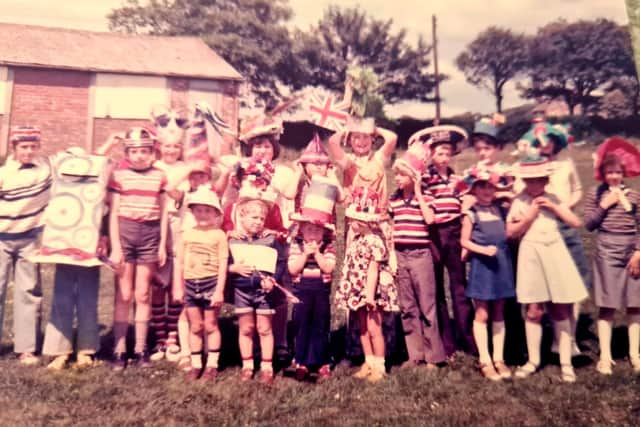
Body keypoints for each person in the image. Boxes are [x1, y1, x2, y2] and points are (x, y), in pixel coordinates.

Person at [506, 157, 588, 382]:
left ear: (546, 180)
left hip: (554, 251)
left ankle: (565, 362)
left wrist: (553, 206)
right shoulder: (519, 201)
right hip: (531, 253)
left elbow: (575, 222)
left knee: (560, 308)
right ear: (524, 181)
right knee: (534, 309)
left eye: (539, 181)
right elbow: (511, 233)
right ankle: (533, 360)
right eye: (530, 181)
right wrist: (530, 216)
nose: (535, 185)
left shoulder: (553, 198)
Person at [517, 121, 589, 354]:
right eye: (541, 140)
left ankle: (570, 340)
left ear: (557, 142)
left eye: (550, 140)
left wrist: (564, 206)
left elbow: (578, 189)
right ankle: (547, 337)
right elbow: (520, 191)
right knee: (541, 287)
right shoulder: (531, 166)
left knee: (570, 283)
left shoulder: (566, 164)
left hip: (564, 224)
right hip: (539, 225)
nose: (545, 144)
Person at [39, 147, 110, 370]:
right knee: (62, 298)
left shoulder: (98, 188)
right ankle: (60, 350)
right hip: (64, 252)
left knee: (88, 299)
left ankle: (86, 349)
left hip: (89, 251)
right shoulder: (58, 190)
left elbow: (101, 164)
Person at [108, 127, 169, 370]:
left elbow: (164, 213)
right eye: (134, 151)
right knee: (124, 294)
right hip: (125, 232)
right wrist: (115, 247)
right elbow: (113, 213)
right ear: (127, 153)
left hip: (150, 235)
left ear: (152, 152)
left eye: (144, 151)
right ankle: (119, 349)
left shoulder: (160, 176)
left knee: (143, 294)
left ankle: (141, 348)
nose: (139, 156)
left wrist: (163, 244)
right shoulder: (119, 176)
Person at [416, 125, 477, 356]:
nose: (443, 158)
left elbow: (466, 199)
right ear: (431, 154)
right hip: (433, 234)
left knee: (459, 286)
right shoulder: (426, 178)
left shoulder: (456, 178)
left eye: (447, 153)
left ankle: (468, 338)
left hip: (454, 232)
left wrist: (462, 209)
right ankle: (445, 341)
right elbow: (428, 208)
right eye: (439, 153)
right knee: (437, 289)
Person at [584, 138, 640, 374]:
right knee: (607, 305)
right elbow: (588, 224)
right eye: (610, 173)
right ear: (602, 173)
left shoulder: (635, 196)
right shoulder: (595, 194)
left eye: (618, 172)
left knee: (635, 306)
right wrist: (604, 205)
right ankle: (606, 356)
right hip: (607, 249)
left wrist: (638, 252)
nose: (614, 177)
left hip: (631, 250)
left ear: (623, 173)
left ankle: (635, 353)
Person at [389, 143, 447, 370]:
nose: (397, 178)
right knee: (407, 306)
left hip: (420, 254)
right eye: (396, 174)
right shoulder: (394, 199)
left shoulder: (426, 197)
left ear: (414, 177)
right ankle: (415, 354)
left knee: (427, 305)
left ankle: (434, 355)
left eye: (402, 174)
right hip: (401, 254)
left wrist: (420, 192)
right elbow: (390, 223)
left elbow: (430, 219)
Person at [335, 187, 399, 383]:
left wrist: (369, 295)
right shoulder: (356, 239)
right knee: (362, 327)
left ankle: (380, 366)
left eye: (354, 220)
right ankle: (368, 361)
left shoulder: (374, 242)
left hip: (371, 290)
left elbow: (373, 270)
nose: (351, 223)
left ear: (366, 222)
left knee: (374, 328)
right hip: (356, 288)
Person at [0, 126, 51, 365]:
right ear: (14, 148)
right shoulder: (4, 172)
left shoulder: (46, 170)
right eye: (24, 147)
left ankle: (26, 348)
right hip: (2, 238)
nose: (28, 152)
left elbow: (82, 163)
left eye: (33, 147)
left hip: (29, 239)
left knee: (29, 291)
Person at [228, 183, 287, 385]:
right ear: (241, 216)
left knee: (264, 328)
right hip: (242, 291)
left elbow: (280, 261)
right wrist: (232, 269)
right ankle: (247, 365)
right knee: (246, 328)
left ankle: (267, 366)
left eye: (262, 218)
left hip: (265, 292)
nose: (258, 222)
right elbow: (223, 263)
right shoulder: (233, 240)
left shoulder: (269, 240)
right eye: (254, 217)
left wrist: (274, 279)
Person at [460, 167, 515, 380]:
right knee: (482, 313)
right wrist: (482, 250)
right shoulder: (471, 214)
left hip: (501, 264)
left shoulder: (500, 210)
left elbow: (513, 197)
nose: (486, 191)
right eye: (481, 186)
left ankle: (499, 358)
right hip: (483, 265)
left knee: (500, 310)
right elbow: (464, 241)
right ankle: (485, 359)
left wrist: (504, 190)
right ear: (474, 189)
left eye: (490, 186)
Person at [173, 186, 228, 381]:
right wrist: (178, 287)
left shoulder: (219, 235)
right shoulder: (187, 234)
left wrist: (219, 291)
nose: (202, 214)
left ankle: (212, 363)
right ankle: (196, 364)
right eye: (198, 210)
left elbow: (223, 264)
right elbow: (179, 262)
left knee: (211, 324)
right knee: (195, 326)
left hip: (210, 282)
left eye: (207, 210)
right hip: (190, 283)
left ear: (215, 213)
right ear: (192, 212)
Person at [288, 181, 337, 381]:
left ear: (324, 233)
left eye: (317, 231)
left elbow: (328, 267)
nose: (313, 235)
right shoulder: (297, 245)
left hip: (321, 291)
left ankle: (322, 360)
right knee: (301, 324)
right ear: (301, 230)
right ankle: (301, 360)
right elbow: (292, 269)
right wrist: (304, 255)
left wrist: (316, 254)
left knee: (320, 324)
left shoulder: (327, 247)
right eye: (308, 230)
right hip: (302, 291)